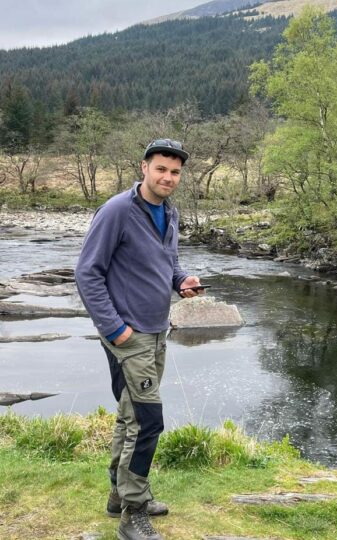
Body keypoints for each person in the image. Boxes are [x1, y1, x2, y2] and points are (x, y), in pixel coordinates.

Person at [75, 138, 202, 540]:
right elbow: (87, 273)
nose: (168, 177)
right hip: (129, 337)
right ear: (144, 167)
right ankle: (133, 513)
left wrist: (181, 282)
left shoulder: (169, 211)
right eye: (161, 168)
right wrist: (116, 330)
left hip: (156, 330)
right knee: (149, 422)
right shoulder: (117, 211)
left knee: (130, 416)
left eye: (175, 172)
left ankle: (119, 495)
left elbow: (169, 262)